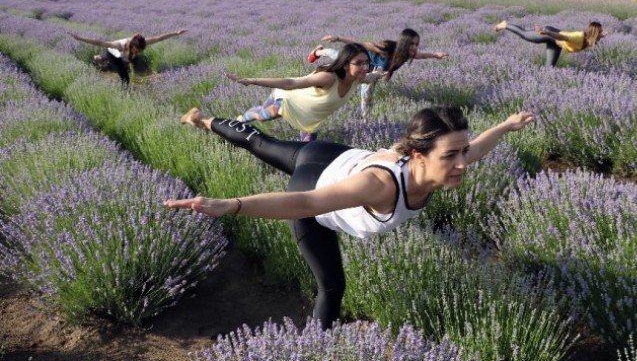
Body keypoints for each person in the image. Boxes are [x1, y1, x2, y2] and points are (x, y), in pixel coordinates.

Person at [165, 106, 534, 329]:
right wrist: (232, 205)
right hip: (316, 181)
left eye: (462, 152)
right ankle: (316, 356)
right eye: (451, 155)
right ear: (419, 156)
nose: (461, 163)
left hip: (334, 155)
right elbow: (306, 203)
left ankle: (203, 119)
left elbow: (480, 146)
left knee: (264, 144)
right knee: (332, 287)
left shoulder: (445, 162)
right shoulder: (380, 185)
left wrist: (506, 124)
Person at [193, 43, 383, 142]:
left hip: (308, 119)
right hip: (289, 101)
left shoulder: (360, 78)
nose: (364, 67)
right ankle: (237, 121)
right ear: (345, 62)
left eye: (366, 63)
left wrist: (378, 74)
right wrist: (251, 81)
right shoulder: (329, 78)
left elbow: (371, 77)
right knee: (264, 115)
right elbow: (291, 83)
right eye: (359, 63)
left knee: (305, 149)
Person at [307, 29, 449, 117]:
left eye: (416, 44)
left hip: (373, 73)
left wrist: (436, 55)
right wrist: (338, 38)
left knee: (367, 96)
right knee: (338, 56)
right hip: (362, 61)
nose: (414, 47)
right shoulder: (387, 47)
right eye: (411, 44)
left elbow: (421, 55)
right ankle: (318, 51)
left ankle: (365, 120)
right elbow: (361, 44)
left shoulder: (408, 54)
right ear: (404, 42)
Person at [69, 29, 188, 84]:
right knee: (124, 76)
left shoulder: (143, 43)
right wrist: (79, 38)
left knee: (126, 63)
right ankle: (125, 92)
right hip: (113, 54)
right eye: (138, 50)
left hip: (123, 56)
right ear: (132, 46)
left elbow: (159, 38)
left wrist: (176, 33)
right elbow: (100, 42)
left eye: (141, 51)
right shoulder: (119, 45)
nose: (140, 52)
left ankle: (101, 59)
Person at [494, 20, 605, 67]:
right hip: (550, 35)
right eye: (600, 32)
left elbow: (593, 40)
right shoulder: (579, 37)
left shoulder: (589, 39)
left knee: (549, 68)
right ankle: (505, 25)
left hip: (556, 44)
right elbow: (562, 36)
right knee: (525, 35)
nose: (601, 34)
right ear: (594, 33)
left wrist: (602, 35)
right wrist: (546, 32)